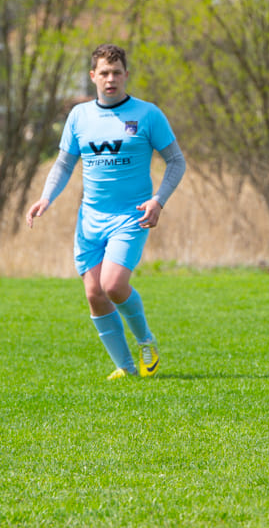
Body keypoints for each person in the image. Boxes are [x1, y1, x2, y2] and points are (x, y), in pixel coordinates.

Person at [26, 43, 186, 380]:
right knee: (94, 294)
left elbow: (176, 161)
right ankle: (126, 369)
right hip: (91, 218)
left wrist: (159, 200)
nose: (110, 79)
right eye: (104, 73)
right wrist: (45, 198)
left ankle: (145, 340)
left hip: (132, 215)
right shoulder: (79, 116)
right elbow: (64, 163)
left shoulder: (147, 115)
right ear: (92, 77)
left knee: (113, 284)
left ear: (126, 75)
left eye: (116, 73)